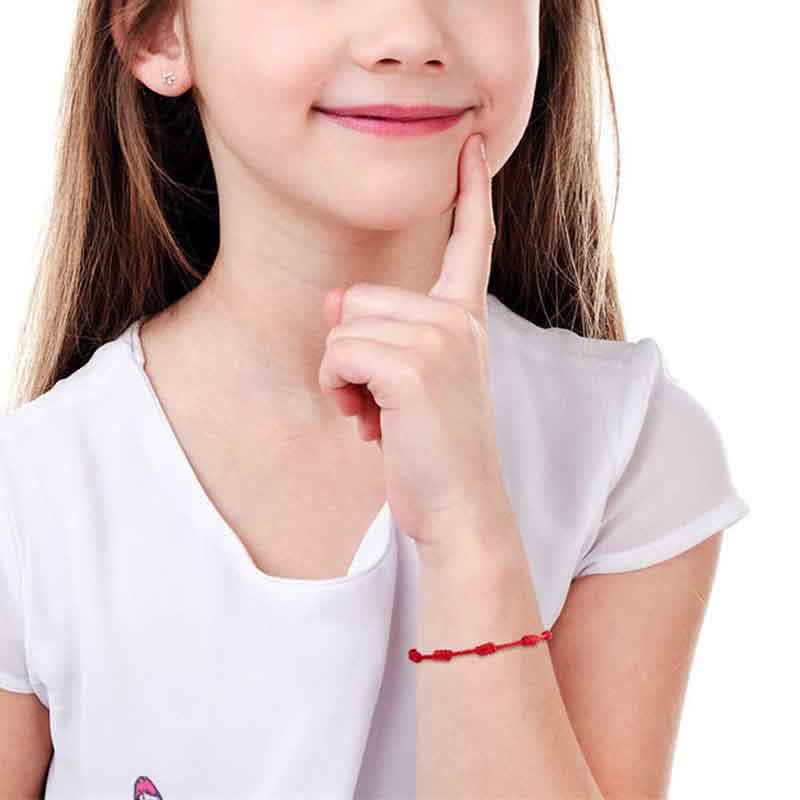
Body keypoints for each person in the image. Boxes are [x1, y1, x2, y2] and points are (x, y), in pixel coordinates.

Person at [0, 1, 750, 798]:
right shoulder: (34, 489)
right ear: (159, 34)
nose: (408, 38)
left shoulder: (628, 448)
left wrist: (468, 532)